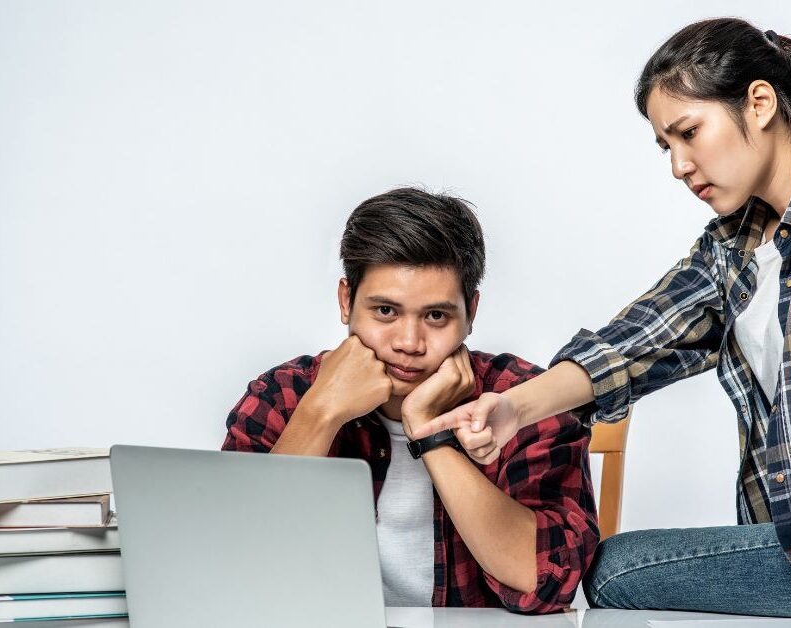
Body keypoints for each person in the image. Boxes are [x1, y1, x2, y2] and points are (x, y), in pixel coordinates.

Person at [412, 18, 791, 627]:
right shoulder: (733, 245)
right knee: (617, 569)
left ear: (759, 104)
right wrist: (513, 409)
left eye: (689, 132)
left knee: (613, 570)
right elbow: (636, 344)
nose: (679, 165)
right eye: (666, 146)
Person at [221, 187, 598, 613]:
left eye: (436, 316)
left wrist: (430, 433)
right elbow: (233, 564)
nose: (409, 343)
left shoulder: (520, 399)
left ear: (471, 313)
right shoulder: (285, 396)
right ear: (346, 301)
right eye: (385, 311)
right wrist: (322, 412)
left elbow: (546, 582)